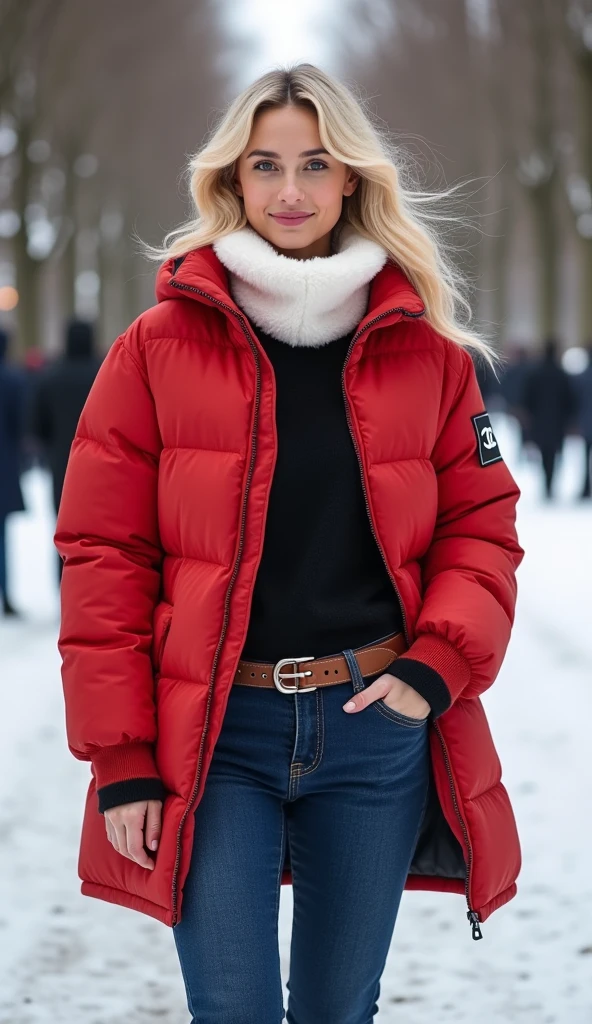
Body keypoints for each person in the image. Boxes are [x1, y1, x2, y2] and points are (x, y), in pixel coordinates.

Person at [54, 64, 525, 1023]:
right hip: (218, 733)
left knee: (335, 1011)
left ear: (352, 177)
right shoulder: (155, 347)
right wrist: (123, 757)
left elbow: (482, 529)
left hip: (373, 730)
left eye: (315, 164)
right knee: (231, 1009)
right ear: (233, 179)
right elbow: (103, 554)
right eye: (265, 165)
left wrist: (435, 668)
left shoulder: (428, 356)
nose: (291, 191)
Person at [27, 318, 102, 581]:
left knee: (65, 527)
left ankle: (65, 584)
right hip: (103, 465)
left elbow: (38, 426)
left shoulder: (52, 377)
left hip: (63, 463)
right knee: (103, 530)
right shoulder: (104, 371)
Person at [522, 336, 577, 499]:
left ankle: (546, 484)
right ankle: (550, 484)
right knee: (553, 454)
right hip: (557, 421)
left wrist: (528, 415)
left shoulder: (535, 373)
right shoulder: (562, 374)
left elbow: (527, 397)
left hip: (539, 420)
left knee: (544, 453)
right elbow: (570, 399)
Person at [0, 327, 26, 617]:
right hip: (4, 465)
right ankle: (6, 594)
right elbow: (22, 424)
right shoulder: (13, 380)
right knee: (2, 536)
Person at [571, 340, 592, 498]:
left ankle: (586, 487)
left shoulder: (581, 377)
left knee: (585, 458)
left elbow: (575, 401)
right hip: (585, 420)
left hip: (586, 422)